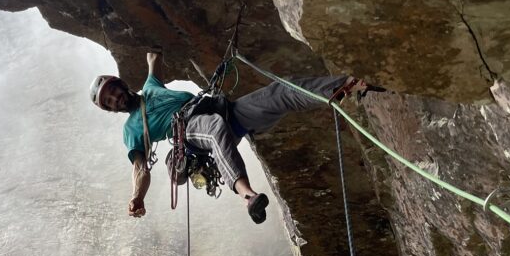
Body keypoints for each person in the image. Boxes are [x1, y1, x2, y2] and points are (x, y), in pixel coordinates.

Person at [90, 51, 377, 224]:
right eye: (109, 102)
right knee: (213, 129)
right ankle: (247, 196)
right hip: (188, 131)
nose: (115, 99)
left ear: (120, 84)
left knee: (279, 93)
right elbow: (140, 168)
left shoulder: (151, 88)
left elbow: (154, 60)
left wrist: (151, 47)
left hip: (222, 112)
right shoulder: (131, 130)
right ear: (112, 110)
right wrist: (137, 196)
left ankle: (347, 86)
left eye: (112, 92)